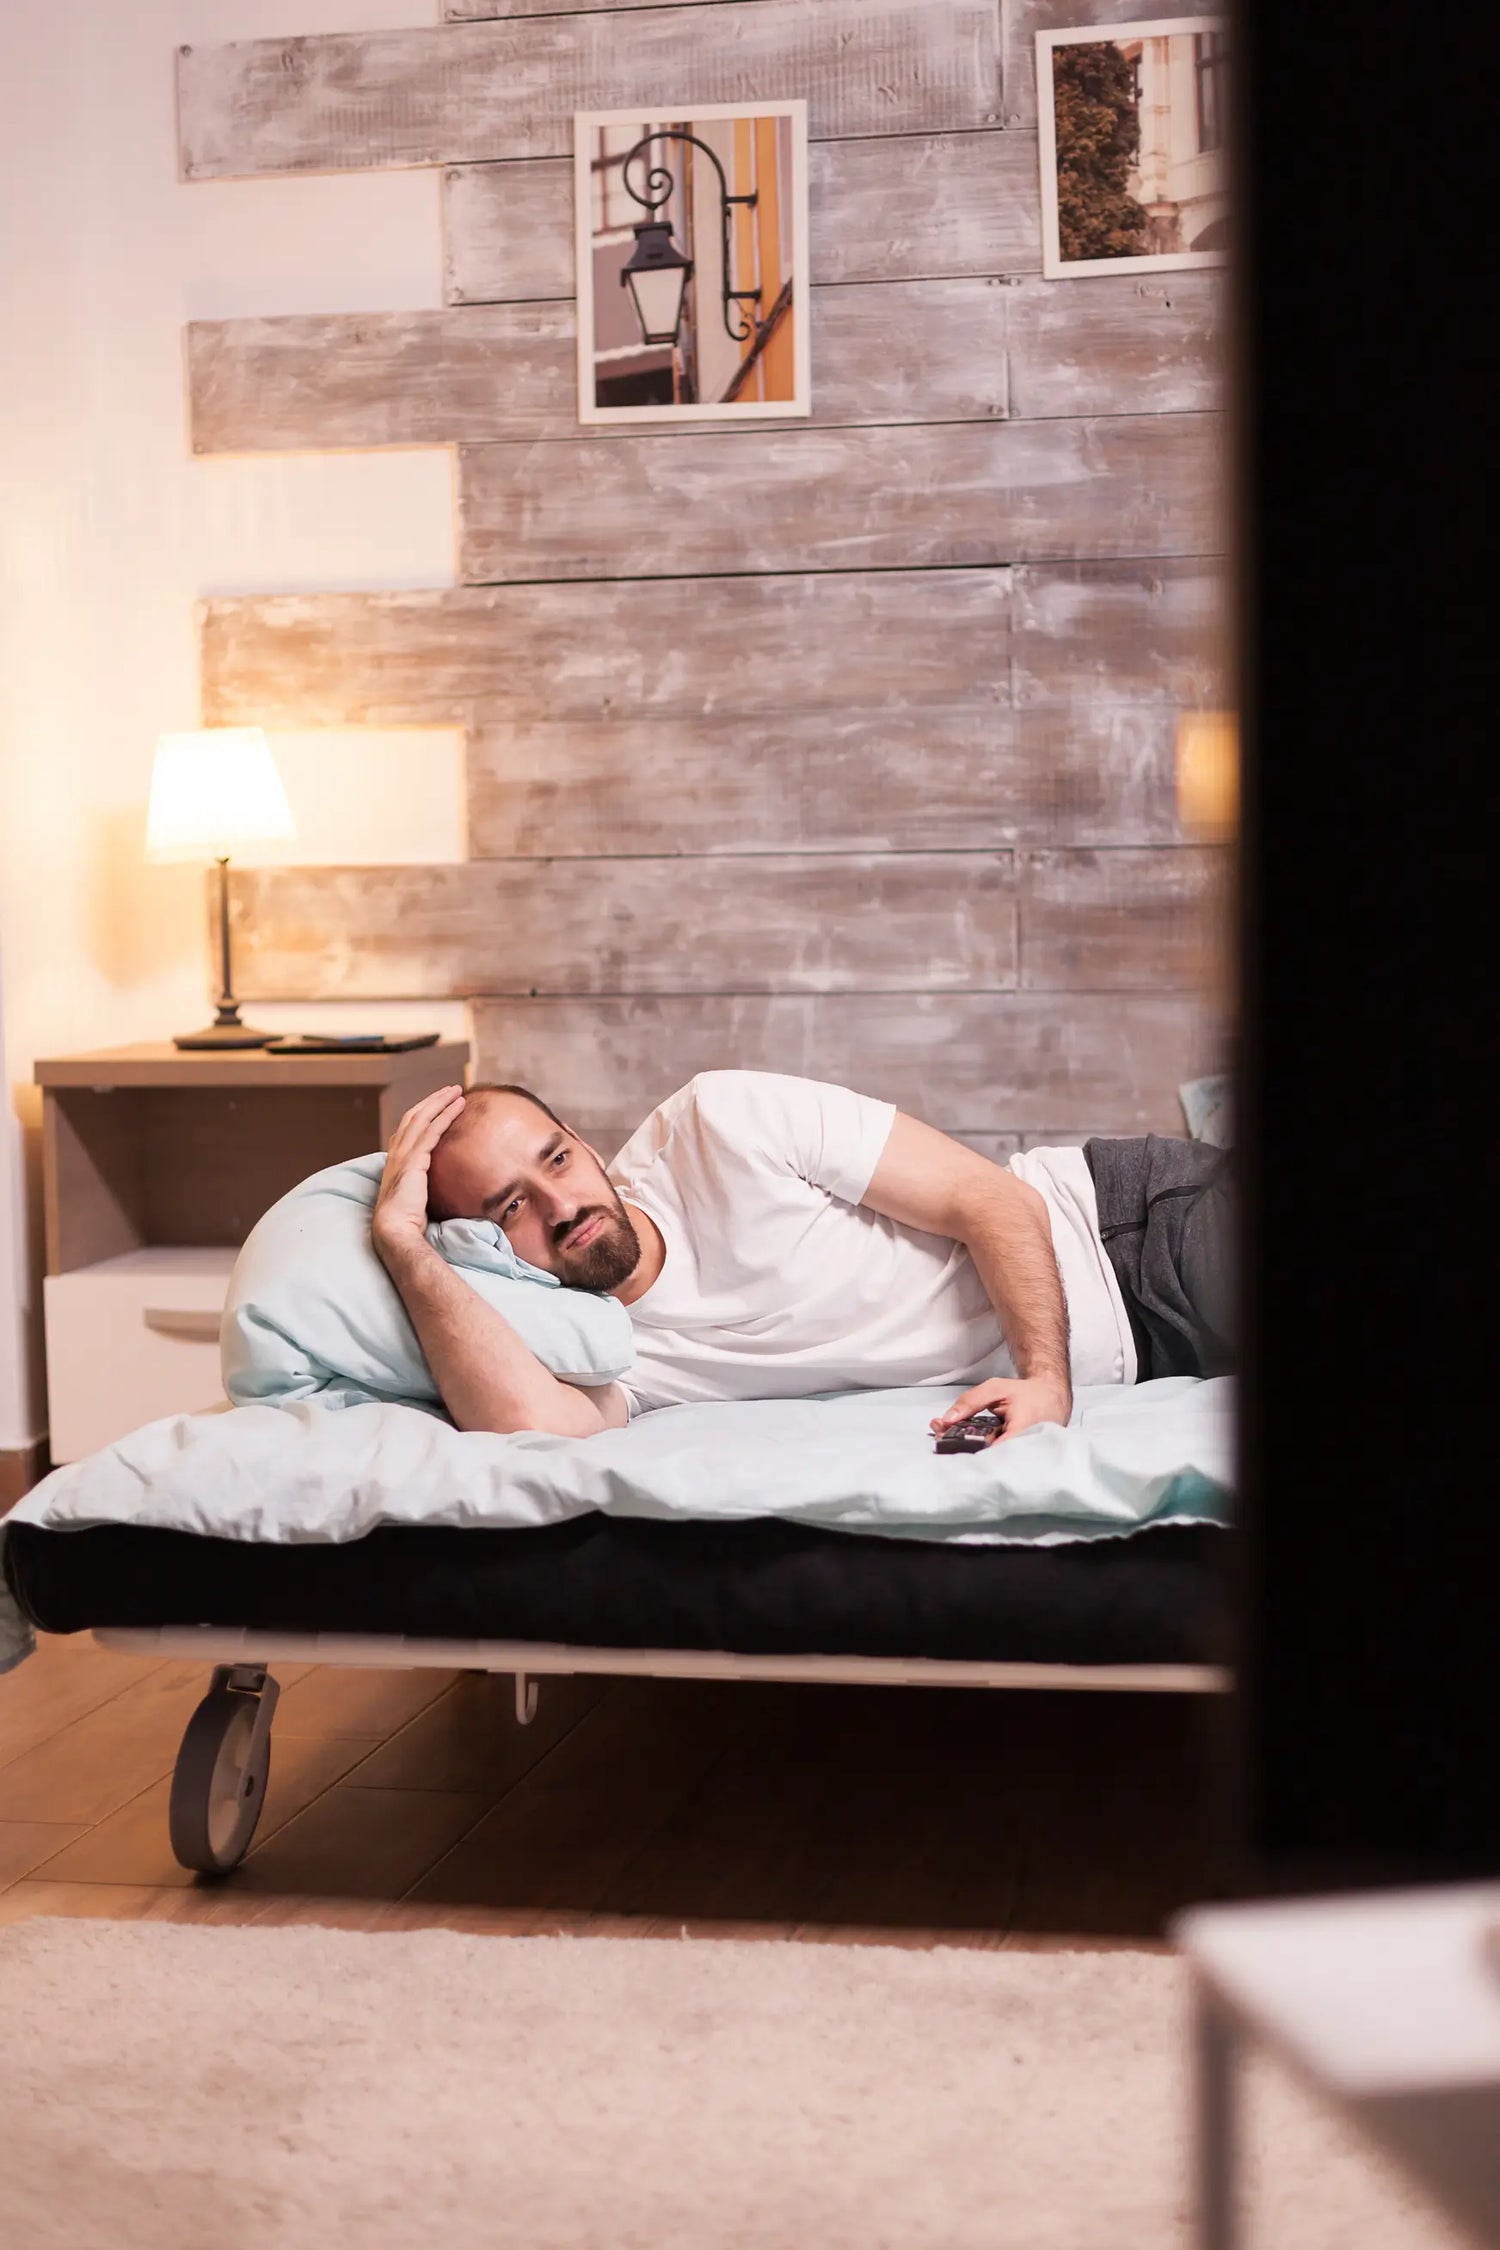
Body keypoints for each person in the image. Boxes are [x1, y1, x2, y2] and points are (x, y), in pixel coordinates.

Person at [370, 1070, 1232, 1448]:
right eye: (510, 1208)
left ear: (588, 1147)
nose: (562, 1209)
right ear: (476, 1247)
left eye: (556, 1159)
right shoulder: (606, 1349)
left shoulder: (720, 1124)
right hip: (1147, 1354)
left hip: (1123, 1232)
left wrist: (1046, 1381)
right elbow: (531, 1431)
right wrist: (406, 1247)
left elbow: (992, 1200)